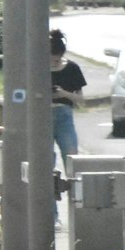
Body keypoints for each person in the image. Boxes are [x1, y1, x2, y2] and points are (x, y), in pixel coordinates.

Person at [49, 28, 86, 165]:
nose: (53, 64)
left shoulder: (72, 68)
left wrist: (64, 93)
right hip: (41, 116)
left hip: (64, 116)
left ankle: (73, 186)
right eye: (51, 61)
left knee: (71, 156)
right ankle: (48, 186)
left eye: (57, 61)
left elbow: (81, 100)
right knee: (45, 160)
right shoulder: (37, 68)